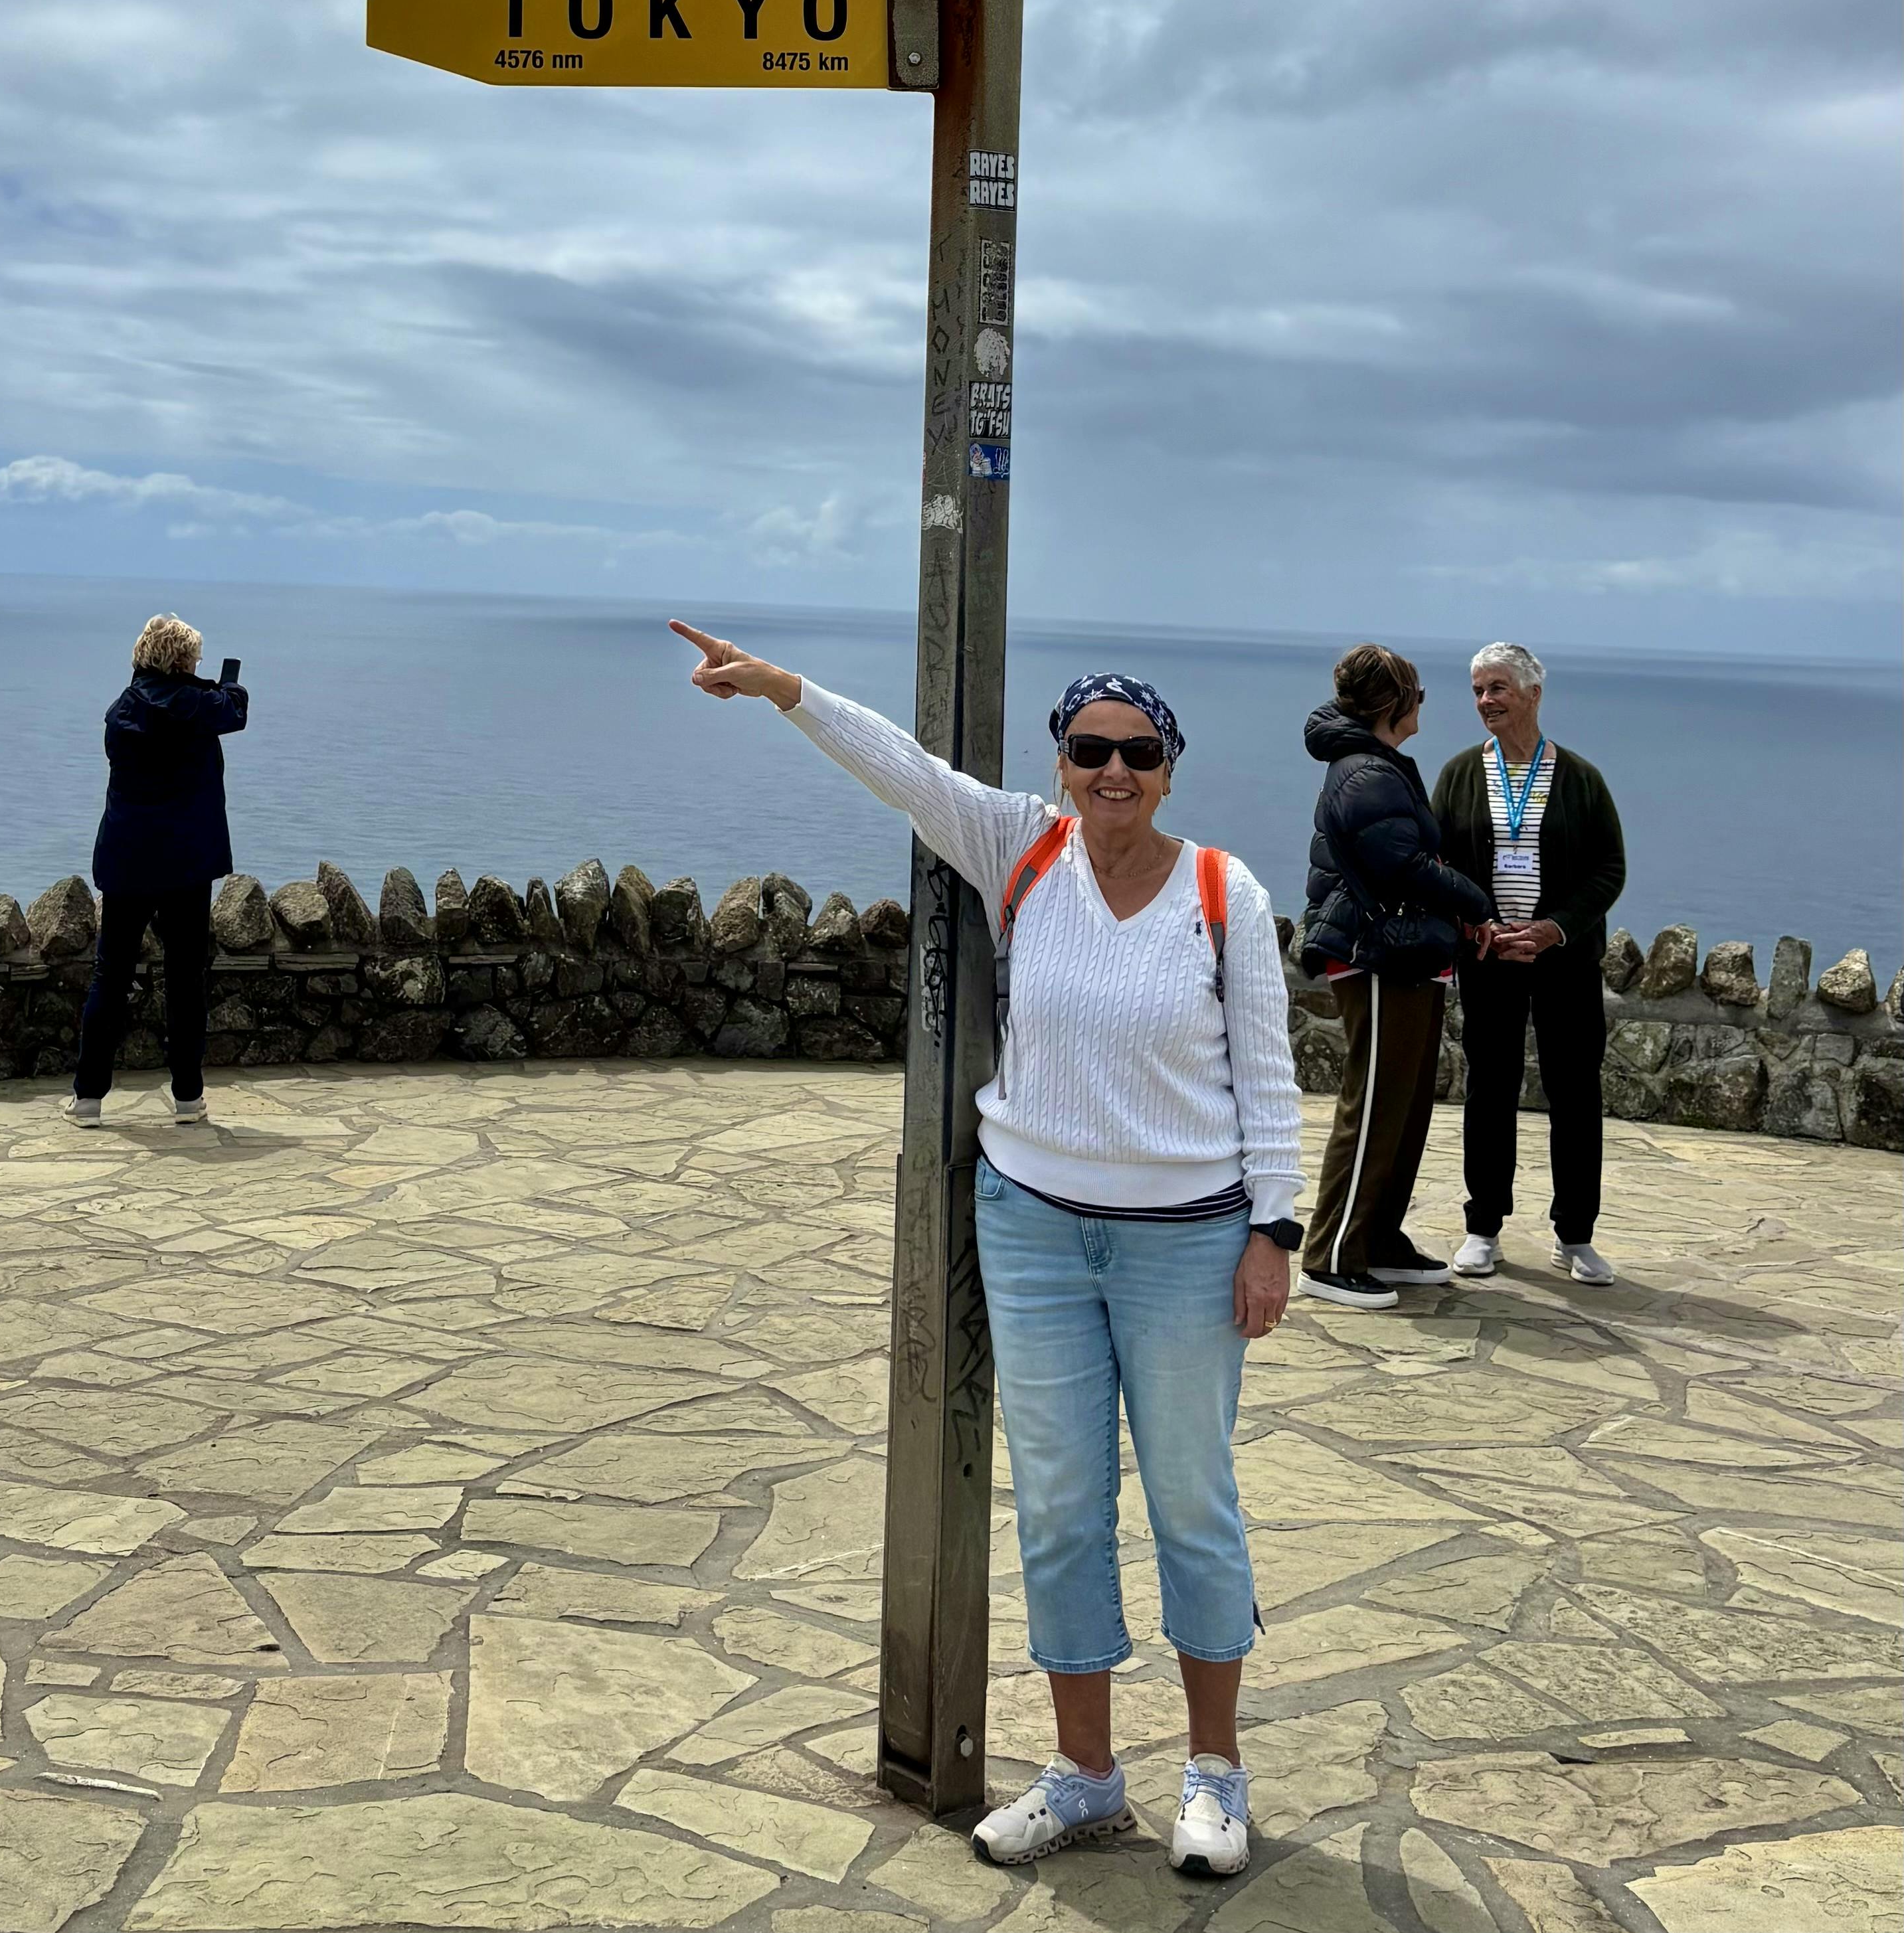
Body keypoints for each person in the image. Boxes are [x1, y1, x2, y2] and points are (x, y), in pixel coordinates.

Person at [672, 622, 1299, 1884]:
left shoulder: (1223, 893)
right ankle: (1083, 1773)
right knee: (1062, 1507)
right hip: (1032, 1228)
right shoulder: (1022, 846)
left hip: (1187, 1239)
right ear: (1060, 762)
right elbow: (901, 767)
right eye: (1088, 750)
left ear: (1168, 767)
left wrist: (1273, 1231)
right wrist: (783, 688)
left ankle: (1214, 1772)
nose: (1110, 771)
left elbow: (1271, 1080)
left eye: (1134, 752)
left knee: (1192, 1502)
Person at [1296, 643, 1496, 1310]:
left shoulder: (1375, 766)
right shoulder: (1366, 774)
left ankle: (1376, 1238)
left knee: (1404, 1107)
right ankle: (1329, 1254)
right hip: (1378, 953)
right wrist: (1475, 900)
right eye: (1418, 692)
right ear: (1394, 701)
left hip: (1405, 954)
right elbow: (1401, 864)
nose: (1422, 705)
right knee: (1375, 1104)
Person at [1433, 642, 1626, 1286]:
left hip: (1562, 963)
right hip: (1488, 957)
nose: (1486, 700)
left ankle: (1575, 1235)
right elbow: (1442, 864)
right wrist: (1476, 921)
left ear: (1532, 693)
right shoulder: (1460, 773)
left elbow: (1608, 868)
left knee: (1575, 1091)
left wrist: (1554, 929)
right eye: (1477, 689)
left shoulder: (1580, 778)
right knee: (1489, 1088)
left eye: (1497, 688)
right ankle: (1482, 1226)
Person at [66, 613, 248, 1129]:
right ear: (183, 661)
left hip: (128, 855)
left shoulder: (120, 711)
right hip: (187, 862)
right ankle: (188, 1096)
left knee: (111, 975)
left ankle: (88, 1098)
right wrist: (227, 675)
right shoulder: (197, 706)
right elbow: (235, 707)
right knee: (185, 978)